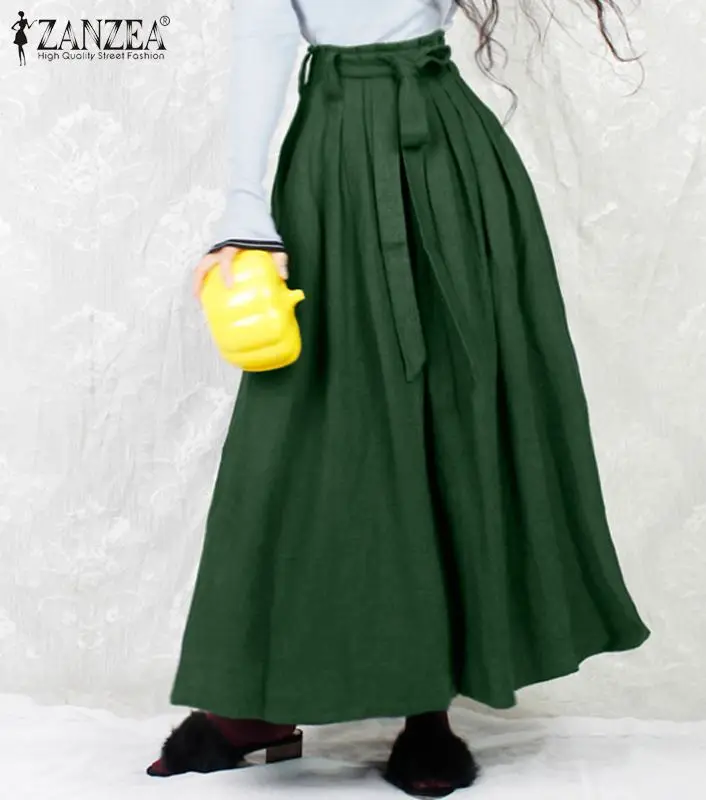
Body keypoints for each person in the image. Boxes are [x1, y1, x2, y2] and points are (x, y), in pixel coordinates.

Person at [147, 1, 651, 796]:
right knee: (305, 425)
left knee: (452, 409)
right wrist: (243, 207)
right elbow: (262, 39)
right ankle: (251, 709)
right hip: (335, 164)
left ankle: (429, 709)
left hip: (447, 155)